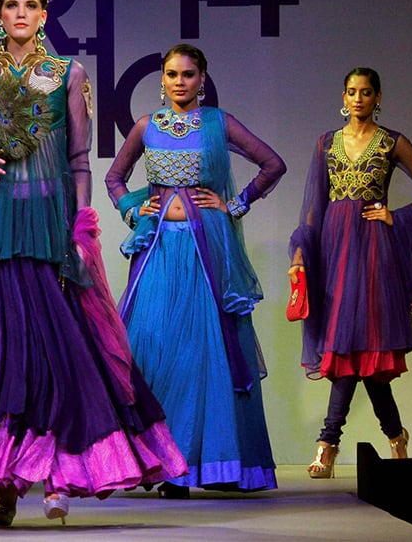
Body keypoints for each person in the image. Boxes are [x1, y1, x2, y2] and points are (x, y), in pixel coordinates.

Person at [0, 0, 187, 526]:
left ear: (44, 15)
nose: (21, 13)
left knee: (58, 353)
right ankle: (6, 483)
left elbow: (79, 159)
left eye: (31, 5)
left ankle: (58, 475)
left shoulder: (67, 75)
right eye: (11, 5)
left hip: (46, 224)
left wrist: (82, 229)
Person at [105, 44, 284, 497]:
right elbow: (115, 177)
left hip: (206, 251)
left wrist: (235, 204)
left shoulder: (218, 123)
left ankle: (204, 467)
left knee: (204, 354)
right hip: (160, 250)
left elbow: (272, 163)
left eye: (188, 74)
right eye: (171, 74)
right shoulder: (147, 126)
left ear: (203, 78)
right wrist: (132, 209)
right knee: (151, 348)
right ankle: (162, 464)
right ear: (161, 80)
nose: (179, 81)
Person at [288, 67, 412, 478]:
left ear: (378, 97)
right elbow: (314, 206)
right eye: (351, 91)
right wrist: (302, 251)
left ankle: (327, 444)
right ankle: (395, 437)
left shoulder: (392, 142)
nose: (358, 98)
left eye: (366, 92)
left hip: (375, 253)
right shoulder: (327, 143)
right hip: (335, 250)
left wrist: (398, 216)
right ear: (343, 96)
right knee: (354, 354)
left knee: (358, 351)